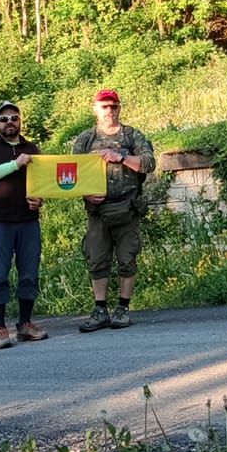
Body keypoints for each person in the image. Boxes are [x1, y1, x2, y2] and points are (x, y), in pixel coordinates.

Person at [71, 88, 156, 331]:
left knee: (127, 259)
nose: (109, 110)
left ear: (119, 108)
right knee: (97, 260)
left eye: (113, 106)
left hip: (127, 208)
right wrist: (86, 193)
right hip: (97, 212)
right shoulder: (85, 140)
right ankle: (100, 310)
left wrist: (120, 157)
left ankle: (123, 308)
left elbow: (149, 163)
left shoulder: (132, 136)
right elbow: (72, 174)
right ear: (95, 109)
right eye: (104, 106)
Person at [0, 100, 48, 349]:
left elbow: (44, 181)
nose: (9, 122)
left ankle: (25, 324)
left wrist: (40, 199)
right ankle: (0, 327)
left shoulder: (32, 148)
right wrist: (15, 164)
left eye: (14, 117)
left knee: (29, 274)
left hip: (28, 221)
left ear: (20, 120)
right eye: (3, 119)